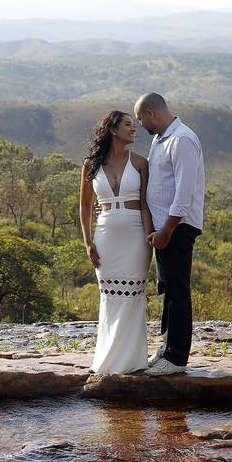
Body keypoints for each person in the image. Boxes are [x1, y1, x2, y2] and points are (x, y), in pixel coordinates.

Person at [134, 92, 205, 376]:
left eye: (140, 119)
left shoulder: (182, 140)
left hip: (177, 227)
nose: (140, 125)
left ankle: (176, 359)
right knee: (167, 290)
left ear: (151, 113)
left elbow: (184, 191)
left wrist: (167, 229)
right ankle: (165, 349)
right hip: (165, 228)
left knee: (177, 291)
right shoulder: (160, 139)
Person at [79, 110, 153, 374]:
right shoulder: (91, 165)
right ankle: (107, 361)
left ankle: (133, 363)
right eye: (127, 125)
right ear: (112, 129)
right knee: (110, 298)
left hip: (136, 238)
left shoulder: (142, 163)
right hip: (105, 237)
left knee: (133, 297)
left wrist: (150, 238)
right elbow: (85, 205)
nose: (134, 129)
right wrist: (88, 242)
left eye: (134, 125)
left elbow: (145, 205)